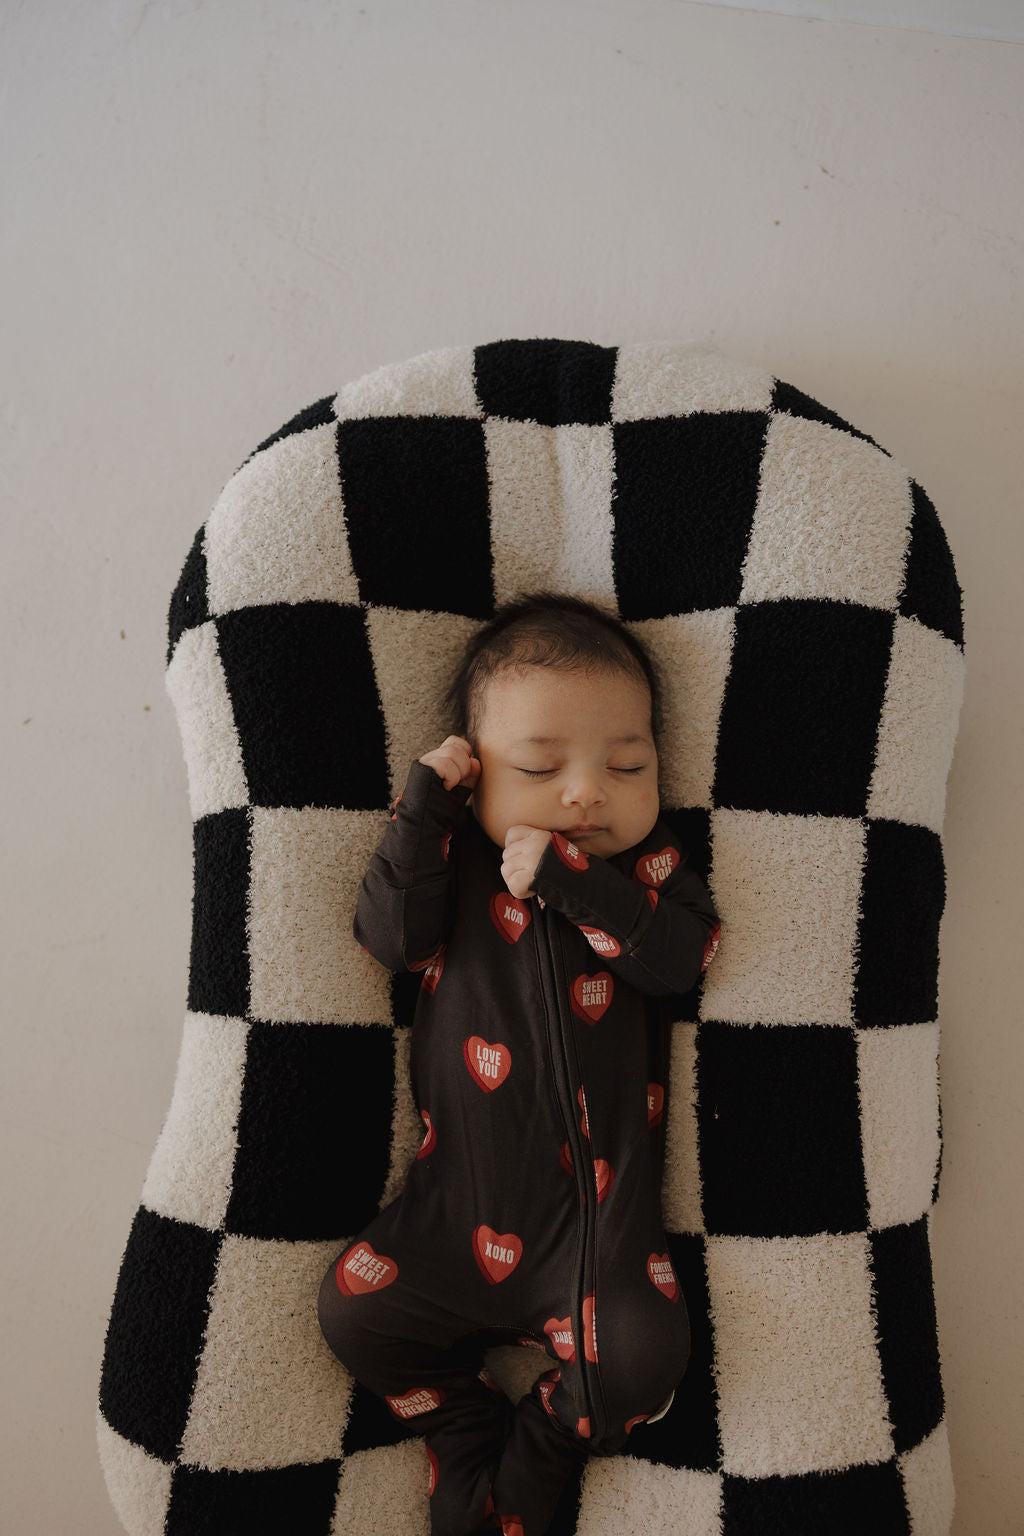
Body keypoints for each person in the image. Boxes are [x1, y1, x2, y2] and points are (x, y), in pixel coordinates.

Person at [318, 594, 720, 1536]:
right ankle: (461, 1427)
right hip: (450, 1214)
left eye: (628, 764)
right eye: (541, 767)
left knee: (640, 1360)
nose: (587, 792)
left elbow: (680, 959)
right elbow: (387, 938)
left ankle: (545, 1441)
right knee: (353, 1315)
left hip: (597, 1236)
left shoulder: (646, 876)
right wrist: (423, 811)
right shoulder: (451, 863)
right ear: (477, 778)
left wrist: (577, 883)